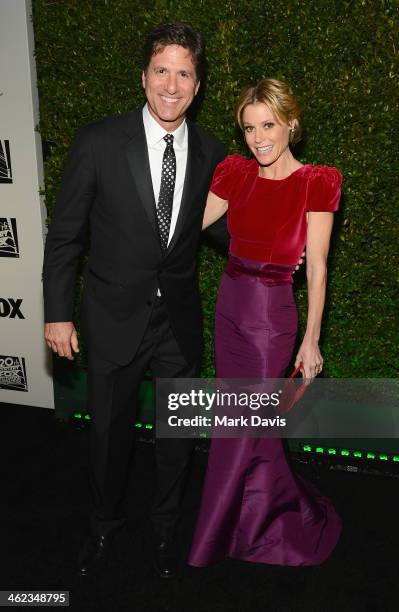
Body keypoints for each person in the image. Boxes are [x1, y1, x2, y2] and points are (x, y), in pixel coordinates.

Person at [42, 22, 229, 579]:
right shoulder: (98, 141)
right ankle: (102, 527)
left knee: (177, 438)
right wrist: (57, 312)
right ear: (144, 77)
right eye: (162, 71)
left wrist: (278, 246)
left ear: (198, 86)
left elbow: (222, 232)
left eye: (185, 74)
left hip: (178, 322)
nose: (172, 85)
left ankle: (166, 530)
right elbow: (66, 234)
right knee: (107, 437)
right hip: (112, 317)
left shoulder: (215, 153)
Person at [188, 78, 342, 567]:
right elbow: (189, 225)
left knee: (240, 423)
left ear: (291, 123)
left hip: (272, 319)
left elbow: (317, 267)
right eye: (250, 127)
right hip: (230, 305)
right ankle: (259, 515)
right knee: (247, 423)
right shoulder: (235, 172)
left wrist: (312, 340)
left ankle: (215, 537)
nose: (258, 138)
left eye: (268, 125)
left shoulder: (316, 181)